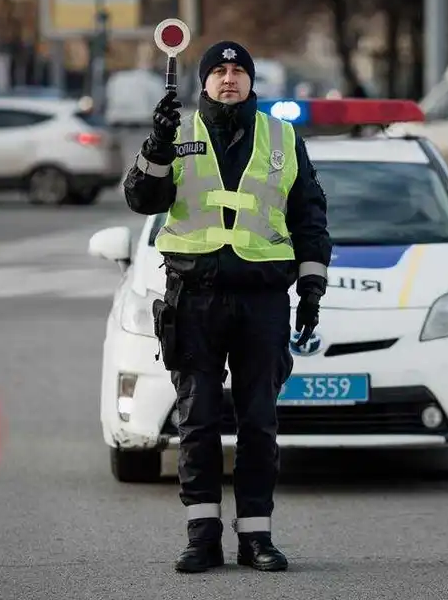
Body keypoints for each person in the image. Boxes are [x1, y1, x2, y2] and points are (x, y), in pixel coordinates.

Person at [123, 40, 331, 573]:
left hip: (261, 301)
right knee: (198, 422)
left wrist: (311, 290)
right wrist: (157, 142)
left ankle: (256, 537)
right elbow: (142, 199)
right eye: (219, 69)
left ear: (252, 81)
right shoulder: (179, 132)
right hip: (194, 298)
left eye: (238, 70)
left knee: (259, 422)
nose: (229, 77)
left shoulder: (282, 138)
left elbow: (309, 217)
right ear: (204, 80)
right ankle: (202, 537)